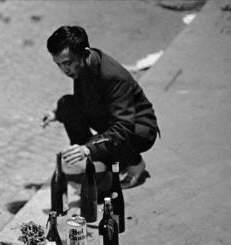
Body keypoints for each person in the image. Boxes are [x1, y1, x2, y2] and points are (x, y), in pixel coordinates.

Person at [41, 25, 159, 189]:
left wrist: (89, 149)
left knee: (102, 144)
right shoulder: (82, 65)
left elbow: (123, 127)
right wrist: (57, 113)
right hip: (110, 120)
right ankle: (93, 158)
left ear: (86, 53)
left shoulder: (113, 76)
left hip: (138, 130)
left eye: (67, 63)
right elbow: (81, 102)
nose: (64, 70)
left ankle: (135, 164)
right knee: (66, 104)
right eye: (58, 64)